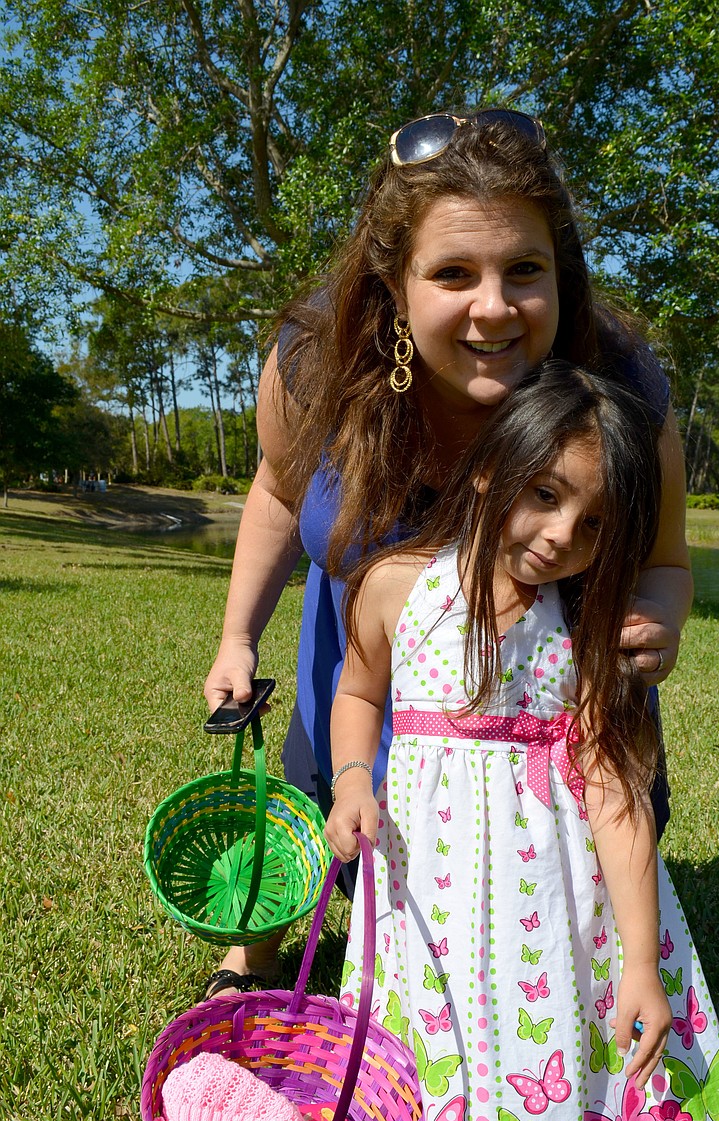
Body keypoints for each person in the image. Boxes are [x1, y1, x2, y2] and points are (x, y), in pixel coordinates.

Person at [202, 109, 693, 999]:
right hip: (366, 661)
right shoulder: (313, 364)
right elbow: (277, 492)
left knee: (538, 905)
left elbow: (665, 561)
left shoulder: (620, 386)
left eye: (525, 270)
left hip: (544, 700)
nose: (493, 306)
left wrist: (657, 615)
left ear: (562, 272)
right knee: (333, 811)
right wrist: (238, 636)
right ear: (395, 283)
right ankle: (257, 948)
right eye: (454, 273)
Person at [325, 361, 719, 1121]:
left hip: (547, 901)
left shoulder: (588, 627)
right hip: (426, 892)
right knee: (424, 1032)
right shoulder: (394, 586)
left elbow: (616, 793)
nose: (563, 535)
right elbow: (356, 691)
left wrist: (639, 963)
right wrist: (352, 779)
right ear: (489, 470)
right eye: (546, 495)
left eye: (594, 523)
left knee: (547, 1038)